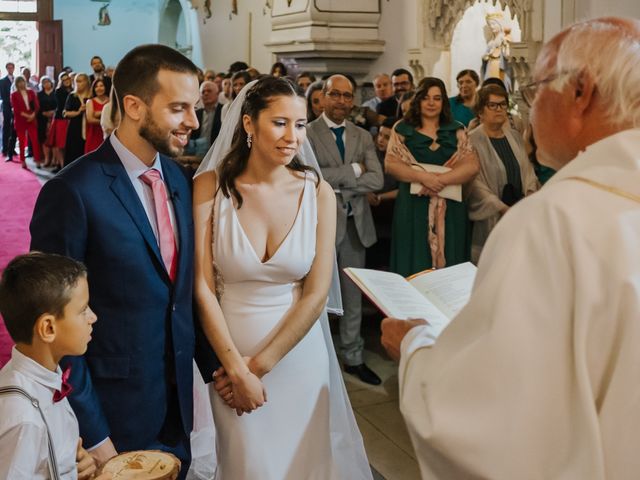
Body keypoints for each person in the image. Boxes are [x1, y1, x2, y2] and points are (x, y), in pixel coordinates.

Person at [380, 17, 640, 479]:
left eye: (536, 91)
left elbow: (491, 423)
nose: (530, 109)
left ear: (579, 92)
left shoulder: (553, 222)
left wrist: (416, 347)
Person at [29, 44, 216, 478]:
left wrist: (214, 369)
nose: (193, 120)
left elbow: (178, 294)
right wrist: (94, 434)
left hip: (177, 404)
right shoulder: (73, 192)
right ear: (133, 105)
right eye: (178, 108)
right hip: (114, 412)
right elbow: (52, 328)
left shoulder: (177, 177)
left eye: (193, 107)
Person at [193, 76, 372, 479]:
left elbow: (316, 292)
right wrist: (236, 371)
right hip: (229, 353)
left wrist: (256, 368)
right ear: (248, 124)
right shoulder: (210, 186)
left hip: (298, 356)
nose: (292, 136)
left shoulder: (317, 191)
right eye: (279, 123)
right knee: (247, 465)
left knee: (304, 465)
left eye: (301, 124)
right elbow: (202, 287)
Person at [0, 252, 108, 480]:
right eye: (83, 310)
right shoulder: (24, 418)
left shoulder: (46, 377)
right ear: (48, 328)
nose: (93, 317)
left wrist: (74, 468)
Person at [307, 74, 384, 385]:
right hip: (321, 226)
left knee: (353, 295)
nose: (341, 101)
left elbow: (377, 180)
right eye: (335, 95)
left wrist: (334, 181)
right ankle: (316, 358)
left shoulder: (362, 136)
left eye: (347, 96)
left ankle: (353, 355)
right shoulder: (308, 133)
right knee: (315, 294)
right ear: (323, 97)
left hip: (355, 224)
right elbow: (310, 176)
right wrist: (353, 171)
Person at [386, 77, 478, 276]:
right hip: (412, 207)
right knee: (415, 257)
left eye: (437, 98)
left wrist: (438, 181)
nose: (431, 103)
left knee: (450, 258)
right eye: (426, 98)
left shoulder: (457, 129)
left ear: (444, 102)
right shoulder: (402, 129)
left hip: (450, 207)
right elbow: (391, 164)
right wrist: (423, 178)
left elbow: (471, 166)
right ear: (418, 100)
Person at [467, 84, 538, 263]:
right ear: (481, 110)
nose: (499, 109)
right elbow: (474, 182)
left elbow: (527, 171)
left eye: (503, 104)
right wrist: (501, 207)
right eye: (493, 105)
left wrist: (528, 198)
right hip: (491, 217)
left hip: (519, 211)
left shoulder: (514, 137)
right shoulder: (472, 140)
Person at [10, 75, 41, 169]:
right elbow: (16, 109)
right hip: (21, 120)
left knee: (35, 140)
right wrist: (27, 116)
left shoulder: (31, 92)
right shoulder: (14, 94)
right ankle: (23, 160)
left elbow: (37, 105)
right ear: (16, 84)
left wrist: (33, 115)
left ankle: (38, 160)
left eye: (22, 81)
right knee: (22, 141)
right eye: (19, 82)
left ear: (25, 82)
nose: (21, 83)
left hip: (32, 119)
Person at [62, 72, 91, 165]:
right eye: (76, 81)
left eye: (80, 81)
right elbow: (65, 113)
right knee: (74, 151)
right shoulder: (72, 96)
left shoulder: (92, 95)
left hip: (90, 127)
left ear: (86, 82)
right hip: (75, 127)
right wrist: (78, 112)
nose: (78, 83)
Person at [189, 80, 222, 155]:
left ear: (217, 94)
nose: (206, 93)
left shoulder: (224, 110)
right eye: (203, 92)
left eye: (209, 91)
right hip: (197, 152)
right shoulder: (196, 113)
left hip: (217, 152)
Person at [48, 71, 72, 171]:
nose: (66, 81)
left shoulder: (74, 89)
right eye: (63, 80)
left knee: (68, 144)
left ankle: (64, 165)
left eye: (67, 79)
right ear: (61, 81)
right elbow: (63, 106)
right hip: (61, 120)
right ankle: (62, 167)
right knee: (60, 144)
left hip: (71, 119)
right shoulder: (59, 91)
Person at [84, 78, 109, 154]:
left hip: (107, 133)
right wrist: (105, 121)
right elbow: (90, 119)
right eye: (96, 86)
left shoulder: (111, 100)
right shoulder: (90, 101)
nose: (99, 88)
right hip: (93, 133)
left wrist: (97, 113)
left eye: (101, 86)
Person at [37, 76, 57, 167]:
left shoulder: (56, 92)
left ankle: (54, 159)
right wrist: (43, 113)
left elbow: (60, 105)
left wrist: (53, 112)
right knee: (44, 139)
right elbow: (36, 106)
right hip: (42, 118)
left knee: (54, 139)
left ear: (51, 83)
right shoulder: (39, 94)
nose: (46, 84)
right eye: (44, 82)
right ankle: (47, 158)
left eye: (48, 82)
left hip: (55, 118)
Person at [0, 62, 17, 160]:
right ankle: (5, 149)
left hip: (16, 109)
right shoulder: (2, 81)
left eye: (12, 67)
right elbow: (2, 96)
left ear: (14, 68)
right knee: (6, 127)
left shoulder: (17, 80)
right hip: (7, 107)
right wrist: (11, 104)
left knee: (14, 129)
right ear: (7, 69)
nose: (11, 69)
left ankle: (12, 148)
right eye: (9, 68)